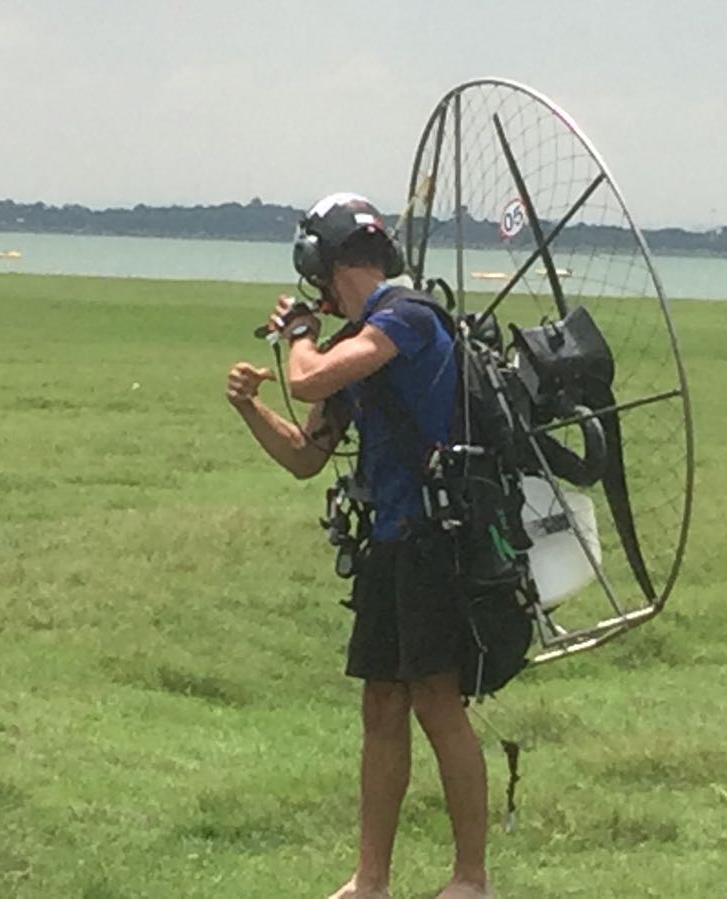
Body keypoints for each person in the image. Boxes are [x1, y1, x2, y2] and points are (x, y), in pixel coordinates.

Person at [225, 193, 492, 899]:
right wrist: (249, 406)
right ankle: (369, 879)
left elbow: (309, 375)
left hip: (433, 539)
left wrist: (300, 337)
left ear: (323, 260)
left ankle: (470, 878)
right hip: (383, 540)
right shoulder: (352, 341)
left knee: (437, 701)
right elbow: (307, 456)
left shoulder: (404, 317)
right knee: (381, 702)